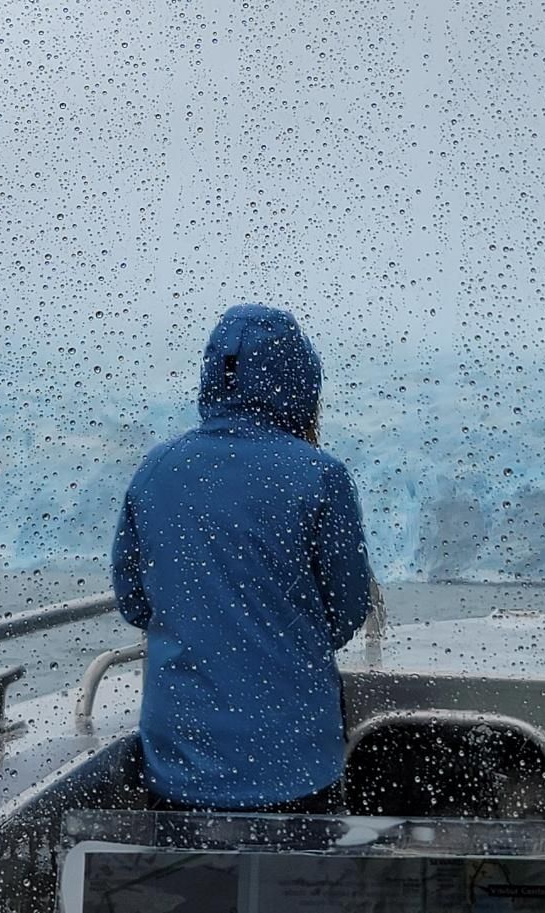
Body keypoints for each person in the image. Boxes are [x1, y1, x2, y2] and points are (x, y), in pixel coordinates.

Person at [110, 303, 375, 813]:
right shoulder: (320, 475)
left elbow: (135, 603)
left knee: (185, 868)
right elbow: (345, 611)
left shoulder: (158, 468)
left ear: (212, 375)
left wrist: (201, 623)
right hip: (293, 758)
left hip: (181, 756)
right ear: (302, 380)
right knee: (299, 868)